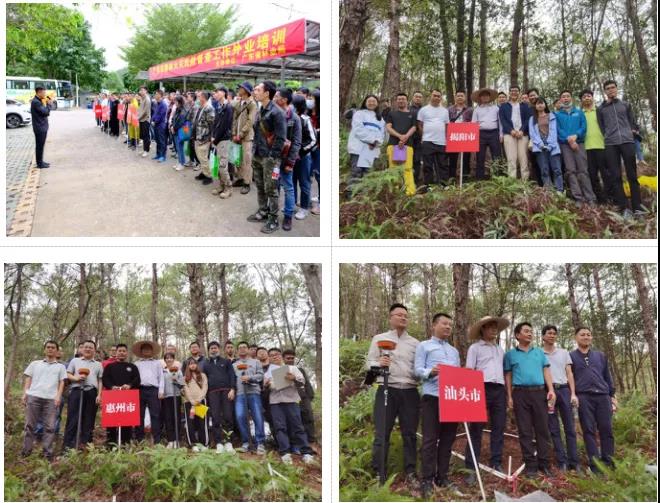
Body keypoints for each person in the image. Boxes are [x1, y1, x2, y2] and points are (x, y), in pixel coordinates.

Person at [366, 303, 420, 487]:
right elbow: (369, 366)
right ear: (390, 318)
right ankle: (379, 473)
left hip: (410, 391)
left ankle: (411, 472)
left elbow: (419, 369)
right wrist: (378, 364)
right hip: (387, 388)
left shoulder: (415, 343)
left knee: (410, 434)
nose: (403, 318)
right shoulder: (379, 338)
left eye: (406, 315)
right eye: (399, 315)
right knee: (382, 433)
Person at [414, 313, 460, 497]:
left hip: (451, 399)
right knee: (429, 440)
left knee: (448, 440)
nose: (448, 327)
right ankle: (427, 479)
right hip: (432, 397)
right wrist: (430, 372)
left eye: (450, 324)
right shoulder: (424, 346)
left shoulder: (454, 351)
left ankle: (443, 477)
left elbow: (457, 376)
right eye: (444, 323)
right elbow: (417, 371)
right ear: (434, 325)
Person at [504, 322, 555, 477]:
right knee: (525, 431)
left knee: (542, 430)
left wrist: (551, 390)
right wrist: (510, 396)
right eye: (526, 331)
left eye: (531, 331)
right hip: (520, 394)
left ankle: (544, 464)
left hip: (539, 393)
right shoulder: (510, 355)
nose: (530, 333)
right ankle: (530, 466)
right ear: (517, 335)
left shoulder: (539, 353)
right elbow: (508, 376)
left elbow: (546, 371)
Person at [463, 316, 509, 485]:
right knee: (476, 428)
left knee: (498, 427)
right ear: (482, 329)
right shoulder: (475, 348)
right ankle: (470, 468)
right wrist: (470, 396)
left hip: (499, 390)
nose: (493, 329)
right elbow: (469, 370)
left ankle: (496, 462)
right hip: (480, 388)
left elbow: (503, 371)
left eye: (495, 327)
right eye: (489, 326)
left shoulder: (500, 349)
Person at [570, 327, 616, 473]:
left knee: (606, 429)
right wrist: (573, 395)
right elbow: (569, 377)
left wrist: (612, 396)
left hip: (603, 396)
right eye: (582, 335)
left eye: (589, 334)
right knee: (588, 430)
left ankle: (608, 461)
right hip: (584, 396)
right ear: (576, 338)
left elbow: (607, 376)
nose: (586, 337)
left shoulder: (600, 355)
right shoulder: (571, 356)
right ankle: (595, 464)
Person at [597, 79, 643, 217]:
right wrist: (608, 135)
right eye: (608, 88)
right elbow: (601, 126)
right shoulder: (601, 109)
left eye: (613, 87)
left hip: (627, 142)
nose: (611, 90)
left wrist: (632, 130)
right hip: (611, 144)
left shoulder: (625, 105)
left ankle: (638, 208)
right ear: (605, 91)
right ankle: (624, 208)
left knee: (632, 176)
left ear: (617, 89)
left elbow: (633, 122)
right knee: (616, 176)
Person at [248, 80, 288, 234]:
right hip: (258, 154)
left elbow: (280, 138)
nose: (255, 91)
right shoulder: (261, 109)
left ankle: (273, 219)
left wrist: (272, 157)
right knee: (260, 185)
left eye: (258, 89)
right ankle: (262, 211)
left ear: (266, 93)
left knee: (271, 189)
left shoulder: (277, 112)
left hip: (270, 158)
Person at [264, 349, 315, 464]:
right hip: (275, 403)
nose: (274, 357)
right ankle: (285, 452)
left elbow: (302, 382)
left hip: (291, 401)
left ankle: (306, 452)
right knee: (280, 427)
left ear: (281, 356)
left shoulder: (292, 369)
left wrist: (293, 378)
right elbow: (266, 387)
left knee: (297, 426)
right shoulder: (267, 373)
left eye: (276, 355)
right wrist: (266, 385)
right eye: (271, 356)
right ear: (269, 358)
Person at [542, 325, 580, 472]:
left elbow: (569, 373)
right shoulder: (539, 353)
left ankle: (574, 461)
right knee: (554, 428)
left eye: (554, 333)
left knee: (570, 427)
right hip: (549, 393)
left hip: (564, 390)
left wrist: (573, 393)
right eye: (549, 333)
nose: (552, 335)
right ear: (543, 336)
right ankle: (561, 461)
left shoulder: (563, 352)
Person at [21, 340, 67, 460]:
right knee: (30, 425)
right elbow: (28, 378)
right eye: (48, 347)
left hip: (51, 399)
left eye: (53, 347)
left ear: (57, 351)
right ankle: (26, 451)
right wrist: (25, 393)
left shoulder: (61, 367)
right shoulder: (35, 364)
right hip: (34, 396)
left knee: (50, 427)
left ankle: (47, 453)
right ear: (44, 349)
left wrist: (58, 396)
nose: (50, 349)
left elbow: (62, 382)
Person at [556, 90, 596, 206]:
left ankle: (590, 198)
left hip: (579, 144)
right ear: (560, 100)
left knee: (583, 171)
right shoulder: (557, 115)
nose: (566, 98)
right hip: (565, 145)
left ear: (571, 99)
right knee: (571, 171)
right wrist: (568, 139)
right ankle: (578, 198)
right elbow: (558, 130)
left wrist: (576, 135)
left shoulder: (579, 112)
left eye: (568, 96)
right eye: (563, 97)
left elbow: (584, 127)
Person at [63, 340, 103, 450]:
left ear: (94, 350)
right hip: (76, 391)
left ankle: (85, 444)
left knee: (89, 419)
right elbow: (68, 373)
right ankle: (68, 445)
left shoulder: (98, 364)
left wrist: (99, 395)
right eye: (86, 347)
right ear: (81, 348)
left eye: (90, 347)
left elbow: (100, 381)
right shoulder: (75, 361)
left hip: (91, 392)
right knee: (72, 418)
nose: (88, 349)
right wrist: (76, 378)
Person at [346, 94, 386, 198]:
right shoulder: (359, 114)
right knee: (356, 172)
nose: (371, 103)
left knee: (368, 173)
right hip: (359, 148)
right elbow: (358, 129)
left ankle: (364, 197)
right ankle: (352, 196)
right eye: (369, 101)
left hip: (372, 150)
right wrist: (372, 140)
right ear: (365, 102)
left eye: (374, 101)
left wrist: (376, 142)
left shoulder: (380, 119)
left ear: (377, 104)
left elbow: (382, 134)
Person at [102, 343, 141, 445]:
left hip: (127, 398)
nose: (122, 353)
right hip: (112, 397)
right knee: (111, 423)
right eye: (120, 351)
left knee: (126, 422)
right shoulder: (109, 367)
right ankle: (111, 445)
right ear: (116, 352)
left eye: (124, 351)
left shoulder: (132, 367)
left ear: (127, 353)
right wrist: (111, 387)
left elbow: (137, 380)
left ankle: (125, 444)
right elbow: (105, 379)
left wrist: (129, 385)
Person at [275, 87, 302, 232]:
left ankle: (288, 215)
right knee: (274, 185)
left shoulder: (294, 118)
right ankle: (272, 210)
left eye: (276, 96)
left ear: (284, 100)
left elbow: (297, 142)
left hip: (286, 160)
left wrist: (290, 162)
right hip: (274, 159)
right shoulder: (274, 113)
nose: (274, 98)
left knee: (288, 187)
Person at [233, 341, 266, 453]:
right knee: (240, 416)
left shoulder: (256, 362)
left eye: (244, 347)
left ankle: (260, 442)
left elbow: (261, 376)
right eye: (240, 347)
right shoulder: (234, 365)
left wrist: (250, 378)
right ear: (237, 351)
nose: (242, 349)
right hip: (240, 394)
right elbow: (232, 380)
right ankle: (246, 442)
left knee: (257, 416)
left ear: (248, 349)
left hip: (254, 392)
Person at [203, 341, 236, 453]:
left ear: (219, 349)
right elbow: (203, 380)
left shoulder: (226, 362)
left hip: (226, 391)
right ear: (209, 351)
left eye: (215, 348)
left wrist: (232, 389)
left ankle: (228, 442)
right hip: (212, 393)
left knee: (228, 416)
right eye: (211, 348)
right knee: (215, 417)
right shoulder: (206, 364)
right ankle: (218, 443)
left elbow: (232, 375)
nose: (213, 350)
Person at [580, 89, 610, 204]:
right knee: (592, 175)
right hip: (586, 148)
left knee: (606, 174)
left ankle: (610, 198)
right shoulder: (579, 114)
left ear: (592, 98)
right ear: (581, 100)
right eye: (584, 97)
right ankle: (599, 199)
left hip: (602, 146)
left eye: (588, 96)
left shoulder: (600, 111)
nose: (587, 98)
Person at [528, 97, 564, 192]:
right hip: (539, 146)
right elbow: (532, 133)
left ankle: (559, 191)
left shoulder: (551, 115)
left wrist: (550, 144)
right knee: (544, 170)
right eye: (537, 104)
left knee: (557, 169)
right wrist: (540, 144)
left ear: (545, 105)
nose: (540, 105)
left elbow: (554, 131)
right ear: (535, 106)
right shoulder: (532, 119)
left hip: (552, 145)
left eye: (542, 103)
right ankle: (549, 192)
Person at [385, 92, 417, 195]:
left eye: (403, 99)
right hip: (393, 145)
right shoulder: (391, 113)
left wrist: (405, 137)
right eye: (399, 99)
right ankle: (394, 192)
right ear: (396, 101)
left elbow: (414, 127)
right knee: (393, 169)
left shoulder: (412, 114)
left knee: (407, 169)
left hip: (408, 146)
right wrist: (400, 136)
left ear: (407, 101)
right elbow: (388, 127)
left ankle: (410, 192)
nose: (401, 100)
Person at [133, 340, 164, 445]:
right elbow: (133, 379)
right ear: (141, 351)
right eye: (144, 349)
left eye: (148, 349)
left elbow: (161, 378)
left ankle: (157, 440)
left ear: (152, 351)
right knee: (139, 415)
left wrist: (161, 390)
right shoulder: (136, 364)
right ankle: (139, 439)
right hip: (140, 390)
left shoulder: (157, 363)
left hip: (153, 390)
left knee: (155, 415)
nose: (146, 350)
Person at [292, 94, 317, 221]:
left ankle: (304, 208)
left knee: (304, 183)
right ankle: (291, 204)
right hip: (291, 156)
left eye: (292, 103)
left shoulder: (306, 119)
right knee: (291, 181)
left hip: (303, 157)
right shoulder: (289, 117)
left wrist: (300, 151)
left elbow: (313, 140)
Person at [417, 89, 450, 186]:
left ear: (441, 98)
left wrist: (446, 139)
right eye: (434, 95)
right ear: (430, 96)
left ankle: (444, 185)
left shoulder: (445, 111)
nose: (436, 97)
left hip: (442, 142)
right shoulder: (423, 110)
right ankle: (428, 186)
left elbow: (447, 125)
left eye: (438, 96)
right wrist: (423, 137)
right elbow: (420, 124)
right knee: (427, 166)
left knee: (443, 165)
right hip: (428, 141)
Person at [283, 348, 316, 443]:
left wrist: (309, 396)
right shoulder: (281, 370)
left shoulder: (300, 370)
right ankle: (296, 442)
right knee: (294, 420)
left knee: (308, 417)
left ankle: (311, 440)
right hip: (289, 398)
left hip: (303, 397)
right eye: (288, 358)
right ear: (284, 359)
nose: (290, 360)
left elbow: (306, 383)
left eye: (292, 358)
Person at [499, 85, 532, 180]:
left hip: (523, 135)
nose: (514, 92)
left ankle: (525, 182)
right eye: (512, 91)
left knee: (523, 159)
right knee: (511, 159)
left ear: (519, 93)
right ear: (509, 93)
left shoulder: (525, 106)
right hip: (509, 135)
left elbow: (527, 120)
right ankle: (512, 183)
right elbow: (503, 120)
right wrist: (511, 130)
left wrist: (522, 130)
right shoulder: (504, 106)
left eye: (516, 91)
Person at [231, 82, 258, 195]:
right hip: (236, 136)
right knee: (238, 159)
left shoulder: (252, 104)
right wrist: (233, 133)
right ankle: (241, 179)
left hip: (246, 137)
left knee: (247, 161)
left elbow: (250, 122)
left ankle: (247, 183)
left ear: (246, 90)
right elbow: (234, 119)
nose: (238, 89)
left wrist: (240, 134)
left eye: (241, 88)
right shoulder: (239, 102)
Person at [209, 86, 234, 198]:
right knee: (217, 164)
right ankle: (221, 185)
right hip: (217, 139)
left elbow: (225, 126)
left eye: (217, 92)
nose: (215, 95)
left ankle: (229, 187)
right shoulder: (219, 106)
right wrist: (213, 136)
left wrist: (216, 139)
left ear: (223, 93)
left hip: (223, 140)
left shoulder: (228, 107)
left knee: (222, 166)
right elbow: (215, 124)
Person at [471, 88, 502, 179]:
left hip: (494, 133)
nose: (485, 97)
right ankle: (479, 178)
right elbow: (473, 123)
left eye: (486, 95)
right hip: (481, 134)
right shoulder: (476, 110)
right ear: (480, 98)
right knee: (480, 157)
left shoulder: (496, 108)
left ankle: (497, 177)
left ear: (489, 97)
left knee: (496, 156)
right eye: (483, 96)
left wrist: (501, 134)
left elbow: (500, 122)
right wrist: (474, 137)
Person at [182, 358, 209, 451]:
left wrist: (199, 399)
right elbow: (186, 390)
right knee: (190, 423)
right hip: (189, 404)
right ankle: (193, 444)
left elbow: (205, 387)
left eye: (194, 363)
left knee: (202, 423)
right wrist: (192, 401)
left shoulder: (202, 375)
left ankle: (204, 444)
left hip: (200, 403)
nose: (192, 365)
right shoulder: (185, 377)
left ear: (197, 365)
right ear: (187, 366)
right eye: (190, 364)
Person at [447, 91, 474, 182]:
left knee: (466, 158)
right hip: (453, 136)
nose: (459, 97)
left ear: (465, 98)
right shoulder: (449, 109)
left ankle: (465, 178)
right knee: (452, 158)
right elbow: (446, 122)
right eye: (458, 96)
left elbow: (473, 122)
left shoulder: (470, 110)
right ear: (455, 97)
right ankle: (452, 178)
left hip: (465, 136)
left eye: (461, 96)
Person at [161, 352, 184, 448]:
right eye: (167, 358)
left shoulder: (178, 370)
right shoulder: (163, 371)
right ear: (165, 360)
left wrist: (176, 381)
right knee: (168, 418)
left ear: (173, 359)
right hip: (166, 397)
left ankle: (177, 439)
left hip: (176, 396)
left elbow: (182, 383)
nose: (169, 359)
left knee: (177, 417)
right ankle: (171, 440)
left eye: (170, 358)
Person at [192, 91, 215, 186]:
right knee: (199, 156)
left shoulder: (209, 108)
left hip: (204, 137)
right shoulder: (200, 107)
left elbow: (212, 124)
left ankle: (208, 176)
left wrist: (210, 137)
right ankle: (204, 172)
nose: (198, 97)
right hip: (198, 136)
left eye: (199, 96)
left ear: (204, 98)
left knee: (203, 157)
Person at [30, 87, 52, 169]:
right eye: (43, 93)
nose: (45, 94)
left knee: (41, 146)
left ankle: (40, 161)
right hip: (40, 128)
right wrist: (49, 104)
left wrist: (46, 104)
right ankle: (39, 163)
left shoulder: (38, 101)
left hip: (41, 127)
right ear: (39, 92)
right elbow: (46, 112)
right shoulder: (36, 102)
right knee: (39, 146)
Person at [409, 91, 425, 185]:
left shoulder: (424, 110)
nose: (418, 98)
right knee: (407, 159)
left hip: (420, 138)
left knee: (417, 160)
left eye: (420, 97)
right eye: (416, 96)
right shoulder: (408, 109)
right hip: (409, 138)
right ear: (413, 98)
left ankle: (416, 180)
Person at [309, 89, 321, 215]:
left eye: (312, 99)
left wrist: (316, 131)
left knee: (319, 175)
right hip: (309, 148)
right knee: (309, 174)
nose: (310, 101)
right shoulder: (309, 112)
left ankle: (321, 203)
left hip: (318, 147)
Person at [170, 96, 190, 171]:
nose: (174, 102)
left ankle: (182, 163)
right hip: (176, 130)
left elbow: (181, 122)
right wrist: (172, 125)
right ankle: (179, 162)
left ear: (179, 102)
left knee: (180, 148)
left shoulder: (183, 110)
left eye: (176, 101)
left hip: (179, 131)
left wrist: (174, 128)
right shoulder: (178, 109)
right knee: (178, 148)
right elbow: (173, 118)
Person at [151, 90, 168, 163]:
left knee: (162, 141)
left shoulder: (163, 104)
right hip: (156, 125)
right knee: (157, 140)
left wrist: (155, 121)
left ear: (160, 95)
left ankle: (162, 156)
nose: (155, 95)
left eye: (156, 94)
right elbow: (155, 114)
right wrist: (152, 119)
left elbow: (161, 115)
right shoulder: (157, 103)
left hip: (161, 125)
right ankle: (158, 154)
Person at [137, 86, 152, 158]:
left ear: (146, 91)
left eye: (143, 90)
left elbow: (145, 112)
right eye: (140, 90)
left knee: (146, 136)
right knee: (143, 135)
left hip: (145, 120)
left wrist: (138, 118)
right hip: (141, 119)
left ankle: (146, 151)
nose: (141, 91)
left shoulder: (147, 99)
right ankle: (144, 149)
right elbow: (140, 110)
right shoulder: (142, 98)